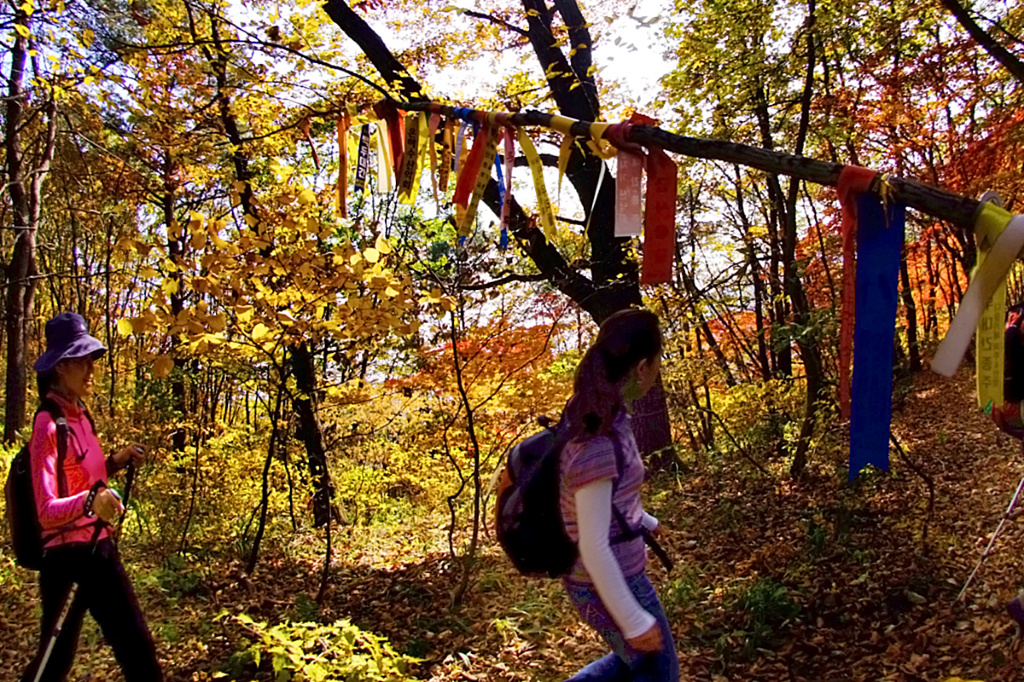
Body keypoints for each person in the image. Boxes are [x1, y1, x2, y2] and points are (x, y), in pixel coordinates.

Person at [20, 312, 163, 682]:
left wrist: (116, 460)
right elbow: (46, 509)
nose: (90, 369)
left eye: (90, 360)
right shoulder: (47, 424)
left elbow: (86, 477)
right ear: (60, 367)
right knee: (55, 661)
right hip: (66, 558)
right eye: (81, 361)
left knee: (137, 649)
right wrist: (89, 503)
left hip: (98, 547)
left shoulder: (82, 416)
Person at [558, 308, 678, 681]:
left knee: (634, 666)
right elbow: (594, 545)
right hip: (605, 581)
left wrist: (648, 523)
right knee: (660, 672)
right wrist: (633, 619)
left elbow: (608, 501)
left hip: (598, 578)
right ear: (642, 367)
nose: (658, 371)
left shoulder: (607, 416)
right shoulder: (597, 439)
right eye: (658, 361)